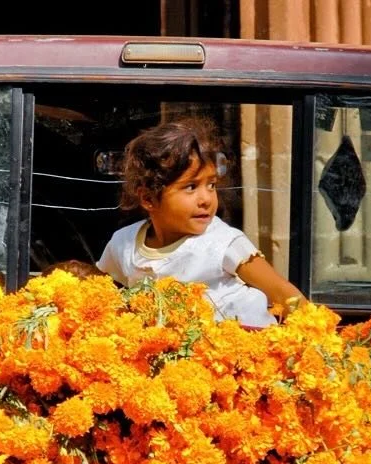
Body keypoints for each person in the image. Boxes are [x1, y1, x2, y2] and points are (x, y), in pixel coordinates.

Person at [96, 118, 304, 327]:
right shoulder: (123, 244)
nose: (206, 199)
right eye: (191, 187)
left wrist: (312, 331)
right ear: (148, 198)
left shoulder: (224, 242)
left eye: (211, 185)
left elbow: (285, 295)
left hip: (248, 341)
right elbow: (103, 293)